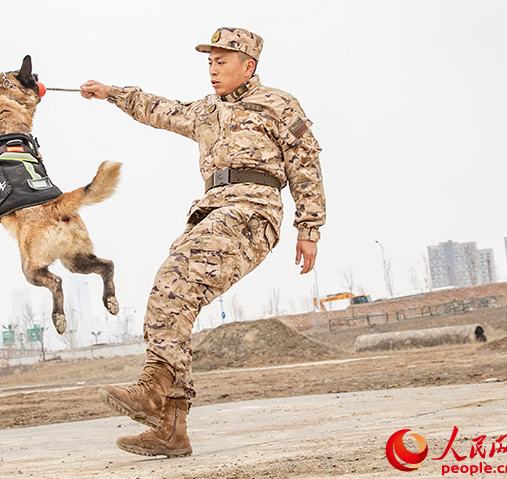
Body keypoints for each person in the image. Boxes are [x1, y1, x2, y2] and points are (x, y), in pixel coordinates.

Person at [80, 27, 326, 457]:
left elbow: (305, 164)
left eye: (222, 61)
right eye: (209, 62)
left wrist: (309, 229)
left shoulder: (278, 105)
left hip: (252, 212)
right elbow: (156, 107)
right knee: (169, 293)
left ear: (248, 66)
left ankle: (155, 389)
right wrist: (108, 92)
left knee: (175, 280)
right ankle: (171, 428)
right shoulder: (205, 112)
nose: (213, 70)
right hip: (211, 212)